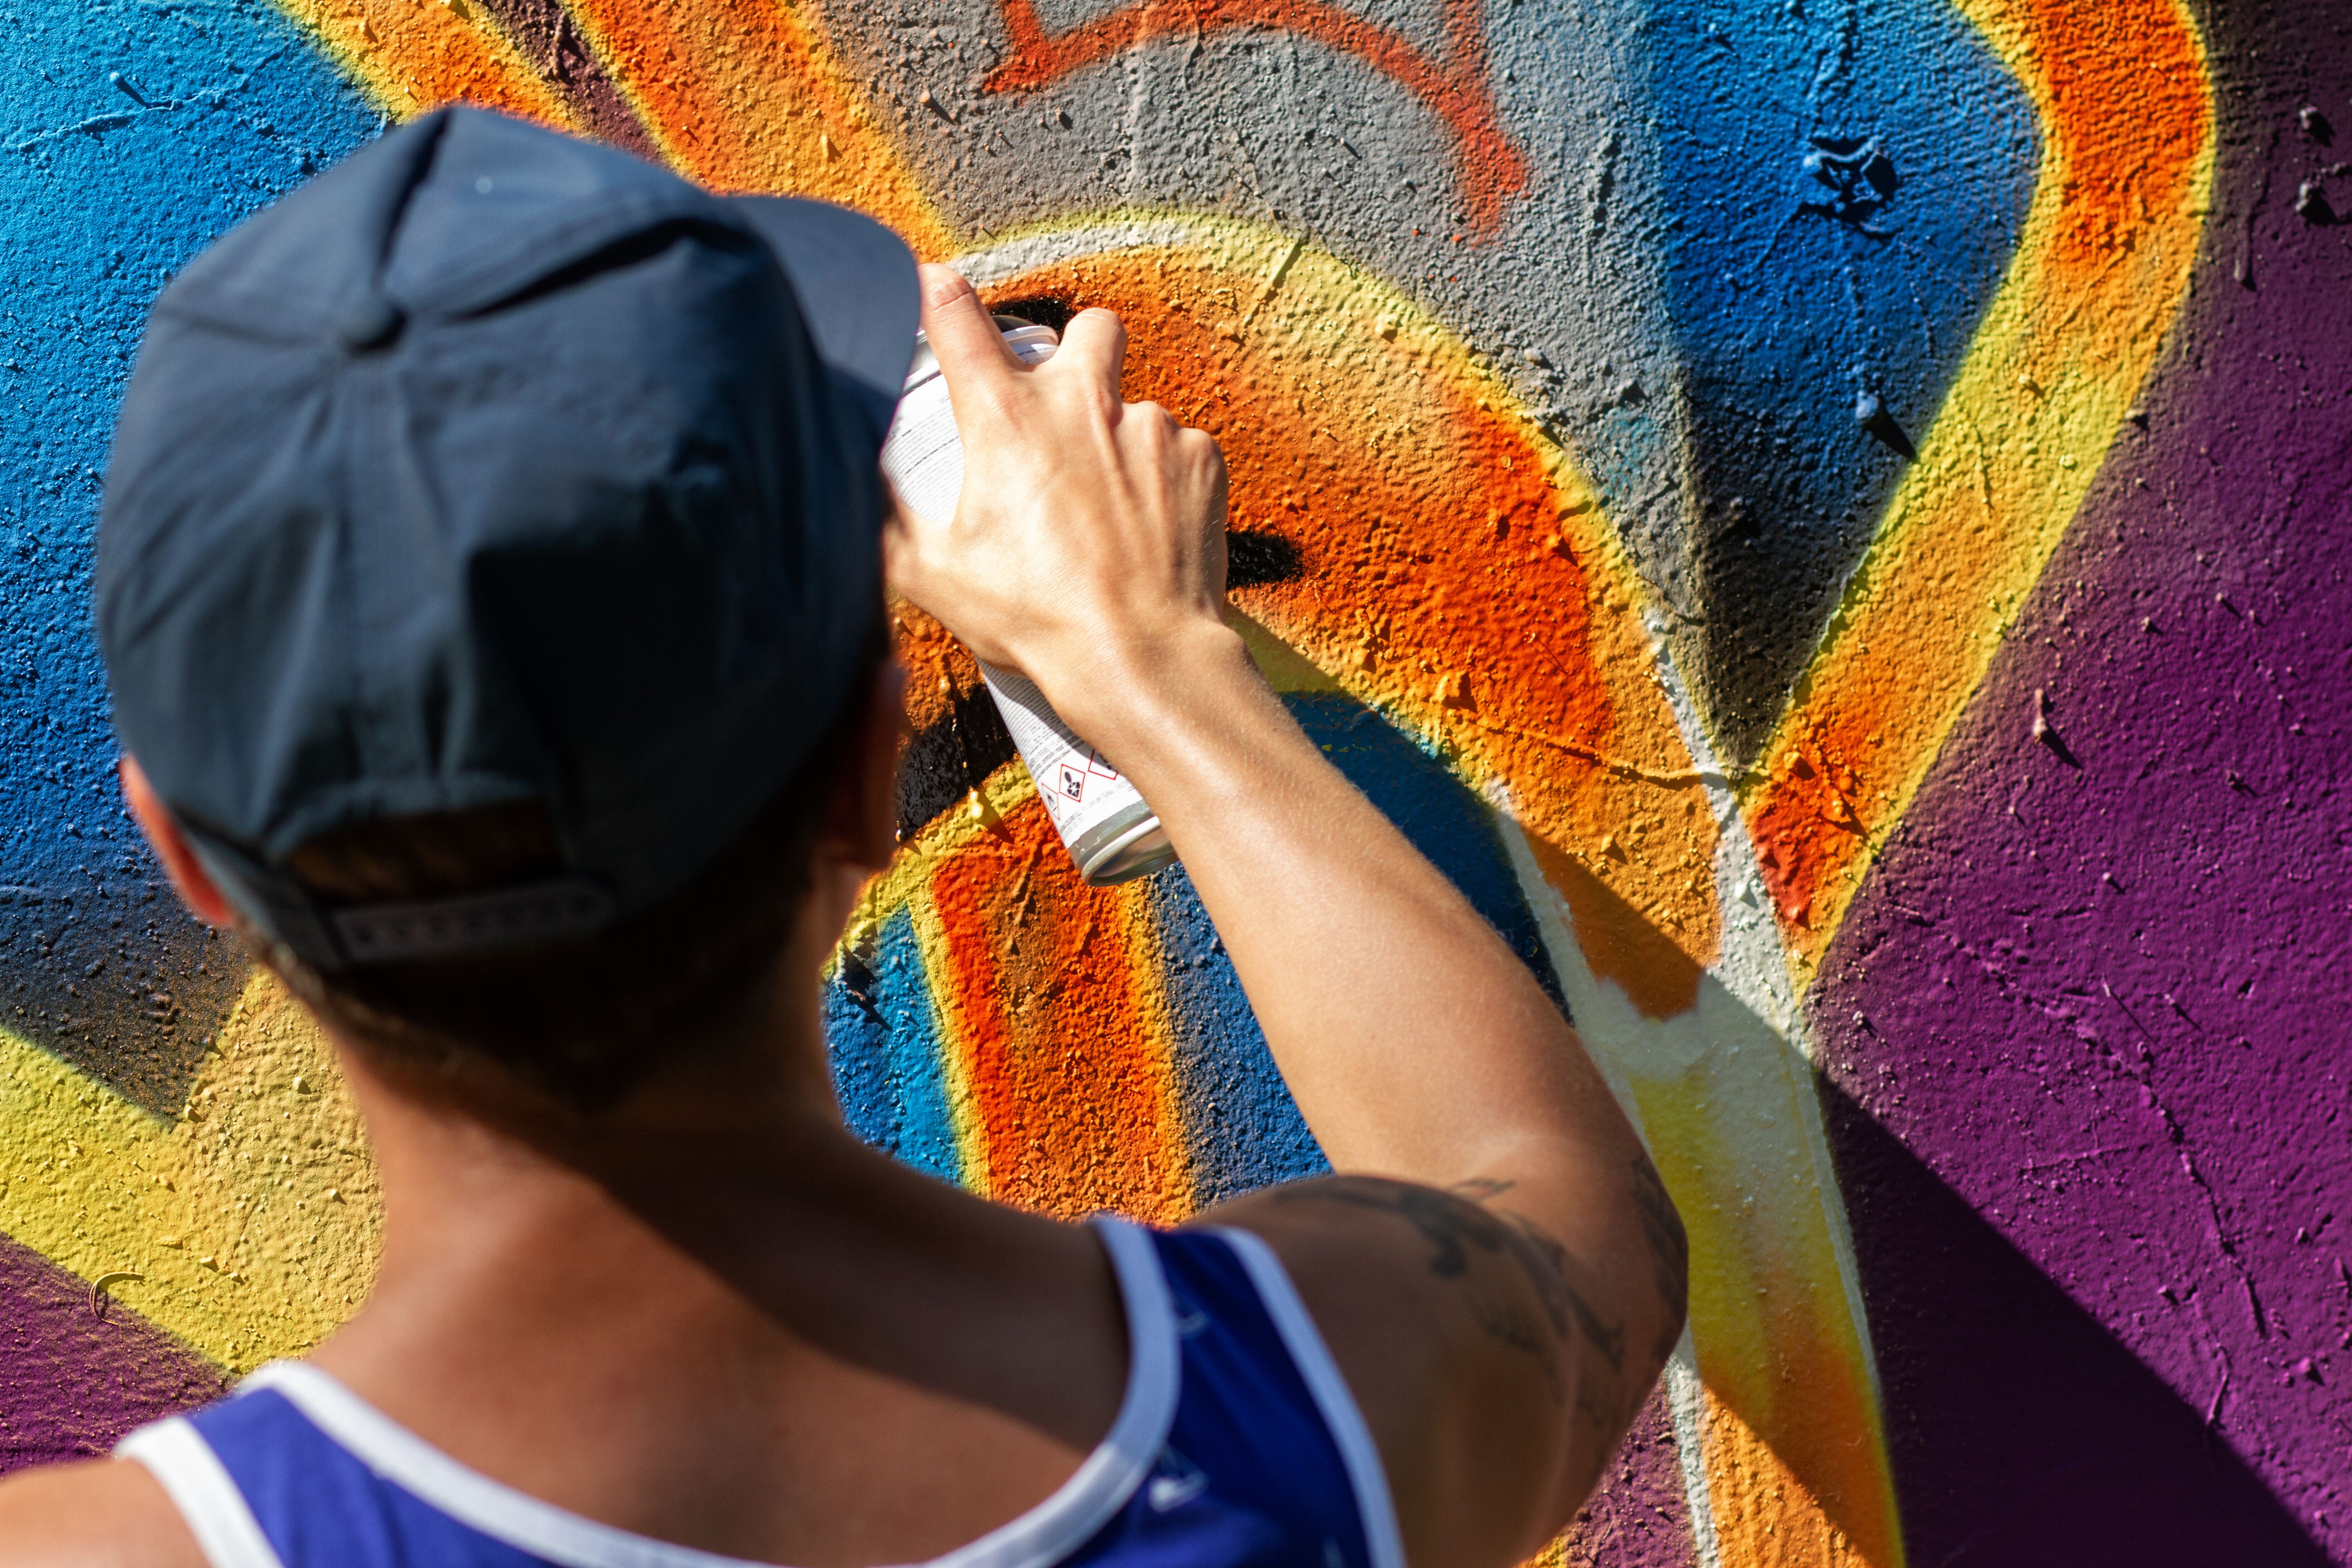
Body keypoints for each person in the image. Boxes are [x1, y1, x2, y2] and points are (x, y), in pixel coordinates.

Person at [0, 108, 1685, 1568]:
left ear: (194, 860)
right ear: (869, 768)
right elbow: (1558, 1204)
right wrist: (1152, 672)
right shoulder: (1298, 1416)